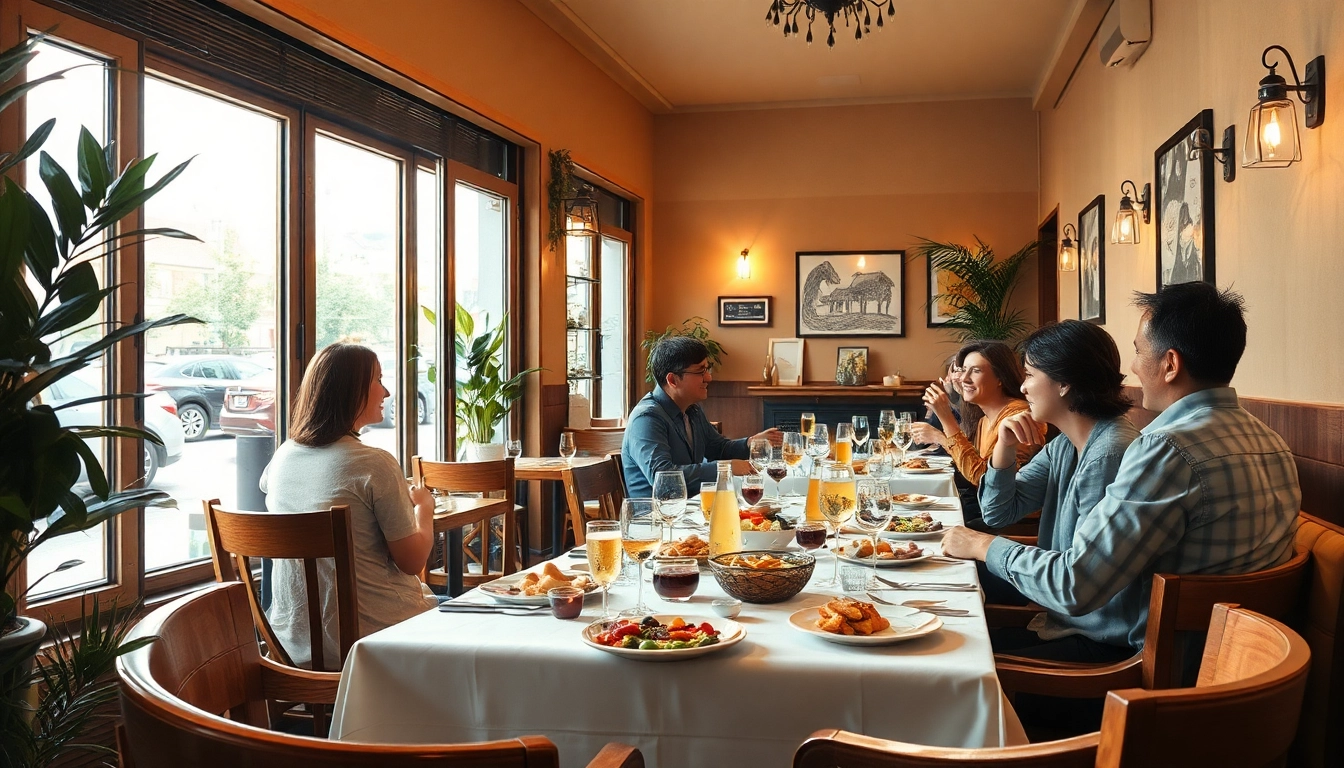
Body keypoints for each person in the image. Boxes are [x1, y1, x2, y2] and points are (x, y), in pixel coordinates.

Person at [943, 283, 1300, 663]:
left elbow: (1075, 586)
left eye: (1138, 351)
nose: (1131, 367)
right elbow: (1006, 518)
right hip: (1241, 664)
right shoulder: (1272, 438)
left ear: (1170, 364)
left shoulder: (1164, 449)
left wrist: (982, 545)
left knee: (948, 658)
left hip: (1153, 671)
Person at [262, 343, 436, 669]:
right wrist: (424, 507)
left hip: (291, 645)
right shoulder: (374, 463)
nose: (386, 391)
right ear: (352, 390)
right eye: (379, 380)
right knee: (477, 613)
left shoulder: (283, 456)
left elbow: (274, 489)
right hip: (375, 641)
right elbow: (413, 561)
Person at [974, 321, 1141, 641]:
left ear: (1064, 382)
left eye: (1030, 375)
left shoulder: (1110, 453)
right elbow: (997, 513)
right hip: (1060, 615)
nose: (1022, 387)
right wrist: (1004, 447)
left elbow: (1081, 582)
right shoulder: (1065, 444)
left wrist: (980, 544)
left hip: (1092, 634)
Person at [623, 336, 781, 499]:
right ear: (672, 380)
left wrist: (752, 443)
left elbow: (718, 449)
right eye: (700, 371)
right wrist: (724, 468)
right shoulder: (646, 419)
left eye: (707, 369)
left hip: (691, 511)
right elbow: (663, 478)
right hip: (653, 519)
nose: (709, 378)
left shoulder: (692, 410)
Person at [910, 340, 1046, 527]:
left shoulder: (1019, 416)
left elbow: (984, 478)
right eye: (963, 370)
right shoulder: (983, 420)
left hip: (1013, 522)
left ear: (1000, 378)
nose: (964, 378)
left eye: (975, 371)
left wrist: (946, 419)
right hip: (987, 512)